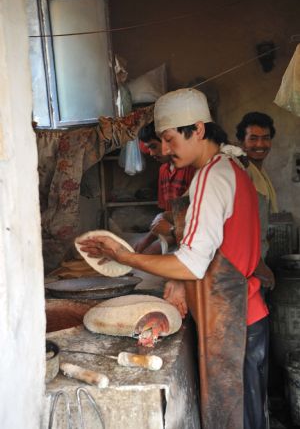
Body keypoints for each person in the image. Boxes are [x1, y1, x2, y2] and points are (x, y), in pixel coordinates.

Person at [79, 88, 269, 429]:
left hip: (233, 318)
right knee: (249, 415)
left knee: (235, 418)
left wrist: (125, 256)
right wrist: (178, 282)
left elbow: (191, 262)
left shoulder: (212, 177)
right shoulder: (226, 168)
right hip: (241, 314)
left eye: (169, 140)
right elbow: (207, 249)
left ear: (197, 130)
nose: (164, 151)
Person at [134, 122, 195, 254]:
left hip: (190, 239)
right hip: (175, 233)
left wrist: (162, 240)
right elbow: (167, 215)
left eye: (154, 147)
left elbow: (189, 221)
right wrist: (147, 241)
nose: (151, 153)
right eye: (148, 149)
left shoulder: (192, 169)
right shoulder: (163, 170)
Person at [236, 112, 278, 286]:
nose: (260, 144)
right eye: (253, 138)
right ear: (242, 142)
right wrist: (260, 267)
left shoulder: (259, 172)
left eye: (266, 138)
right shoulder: (243, 172)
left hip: (256, 260)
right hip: (247, 266)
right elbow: (241, 228)